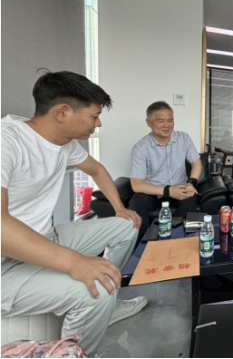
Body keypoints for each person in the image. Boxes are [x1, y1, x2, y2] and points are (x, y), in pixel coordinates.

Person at [1, 71, 148, 357]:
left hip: (45, 237)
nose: (98, 123)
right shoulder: (7, 142)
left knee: (127, 225)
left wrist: (120, 209)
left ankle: (110, 306)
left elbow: (97, 170)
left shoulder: (63, 144)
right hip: (5, 265)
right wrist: (74, 263)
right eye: (94, 116)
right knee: (96, 289)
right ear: (62, 112)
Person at [129, 101, 202, 243]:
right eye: (160, 121)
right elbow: (136, 185)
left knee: (190, 197)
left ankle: (184, 243)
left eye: (170, 120)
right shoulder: (141, 148)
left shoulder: (183, 138)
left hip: (180, 188)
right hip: (154, 192)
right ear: (148, 122)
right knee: (138, 200)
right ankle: (141, 246)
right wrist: (168, 191)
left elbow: (196, 163)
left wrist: (191, 183)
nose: (166, 125)